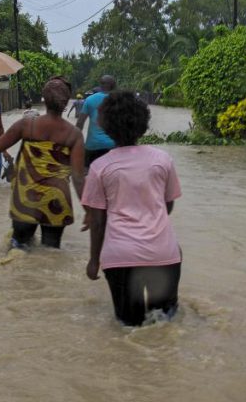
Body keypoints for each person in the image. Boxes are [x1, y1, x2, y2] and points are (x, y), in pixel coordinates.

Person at [81, 91, 182, 326]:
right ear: (143, 123)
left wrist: (94, 260)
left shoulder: (99, 167)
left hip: (121, 258)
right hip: (163, 254)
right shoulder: (162, 159)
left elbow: (97, 221)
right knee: (163, 324)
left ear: (105, 125)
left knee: (129, 327)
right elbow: (167, 205)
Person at [0, 76, 85, 249]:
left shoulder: (27, 125)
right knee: (51, 252)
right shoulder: (74, 135)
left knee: (18, 247)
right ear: (66, 103)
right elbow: (78, 177)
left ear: (44, 99)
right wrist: (88, 208)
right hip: (57, 201)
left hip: (26, 199)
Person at [76, 75, 116, 168]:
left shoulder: (90, 99)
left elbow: (80, 123)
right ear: (113, 85)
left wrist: (75, 144)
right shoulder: (119, 100)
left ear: (100, 85)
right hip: (113, 146)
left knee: (88, 176)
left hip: (92, 145)